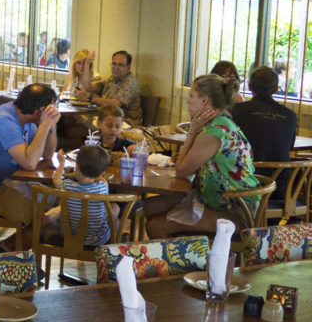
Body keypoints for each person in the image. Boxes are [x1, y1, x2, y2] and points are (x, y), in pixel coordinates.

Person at [143, 74, 259, 237]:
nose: (188, 100)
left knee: (156, 226)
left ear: (204, 101)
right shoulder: (220, 122)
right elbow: (185, 165)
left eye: (191, 96)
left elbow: (181, 171)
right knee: (150, 207)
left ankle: (186, 258)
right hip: (217, 199)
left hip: (236, 210)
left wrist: (191, 132)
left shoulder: (213, 133)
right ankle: (188, 252)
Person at [0, 84, 60, 238]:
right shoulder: (5, 120)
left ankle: (6, 248)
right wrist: (44, 125)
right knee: (45, 217)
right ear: (38, 112)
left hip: (8, 181)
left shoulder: (25, 118)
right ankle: (4, 249)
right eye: (50, 108)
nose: (54, 111)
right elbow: (29, 163)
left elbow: (48, 154)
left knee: (59, 204)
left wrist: (50, 127)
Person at [232, 65, 297, 201]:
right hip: (280, 187)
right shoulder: (290, 116)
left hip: (246, 181)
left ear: (249, 86)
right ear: (276, 89)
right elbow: (288, 148)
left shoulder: (237, 110)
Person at [44, 144, 112, 247]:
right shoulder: (103, 187)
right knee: (112, 220)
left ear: (77, 166)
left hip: (69, 240)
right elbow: (101, 179)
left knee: (53, 227)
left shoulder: (68, 186)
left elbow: (56, 180)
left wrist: (62, 162)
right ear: (102, 172)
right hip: (97, 244)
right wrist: (96, 171)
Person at [75, 50, 141, 126]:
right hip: (107, 117)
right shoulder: (111, 79)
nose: (116, 67)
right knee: (76, 119)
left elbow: (116, 104)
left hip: (125, 122)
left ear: (128, 67)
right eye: (114, 64)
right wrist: (87, 64)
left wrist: (89, 98)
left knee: (81, 123)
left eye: (120, 65)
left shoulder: (131, 82)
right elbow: (88, 87)